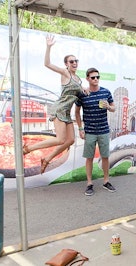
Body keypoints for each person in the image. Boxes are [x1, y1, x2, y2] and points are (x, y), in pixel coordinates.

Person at [23, 35, 88, 174]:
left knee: (70, 140)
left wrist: (85, 89)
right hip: (59, 109)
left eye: (76, 61)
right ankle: (28, 148)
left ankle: (47, 159)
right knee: (60, 139)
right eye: (71, 61)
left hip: (66, 112)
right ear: (66, 64)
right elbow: (47, 64)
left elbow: (79, 90)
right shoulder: (65, 73)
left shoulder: (78, 79)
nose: (74, 63)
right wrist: (48, 47)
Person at [75, 68, 116, 196]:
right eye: (93, 77)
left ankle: (106, 181)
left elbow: (113, 108)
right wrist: (81, 129)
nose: (96, 79)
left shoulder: (106, 92)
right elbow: (76, 112)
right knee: (89, 158)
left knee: (105, 157)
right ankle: (89, 183)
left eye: (97, 77)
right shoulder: (83, 94)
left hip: (103, 130)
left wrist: (108, 107)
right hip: (90, 131)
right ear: (87, 78)